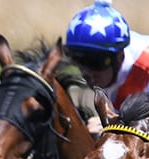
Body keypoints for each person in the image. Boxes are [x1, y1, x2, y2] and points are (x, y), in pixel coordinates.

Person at [63, 0, 149, 134]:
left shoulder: (145, 68)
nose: (86, 72)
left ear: (120, 57)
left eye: (96, 62)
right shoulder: (109, 67)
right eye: (78, 60)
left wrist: (118, 125)